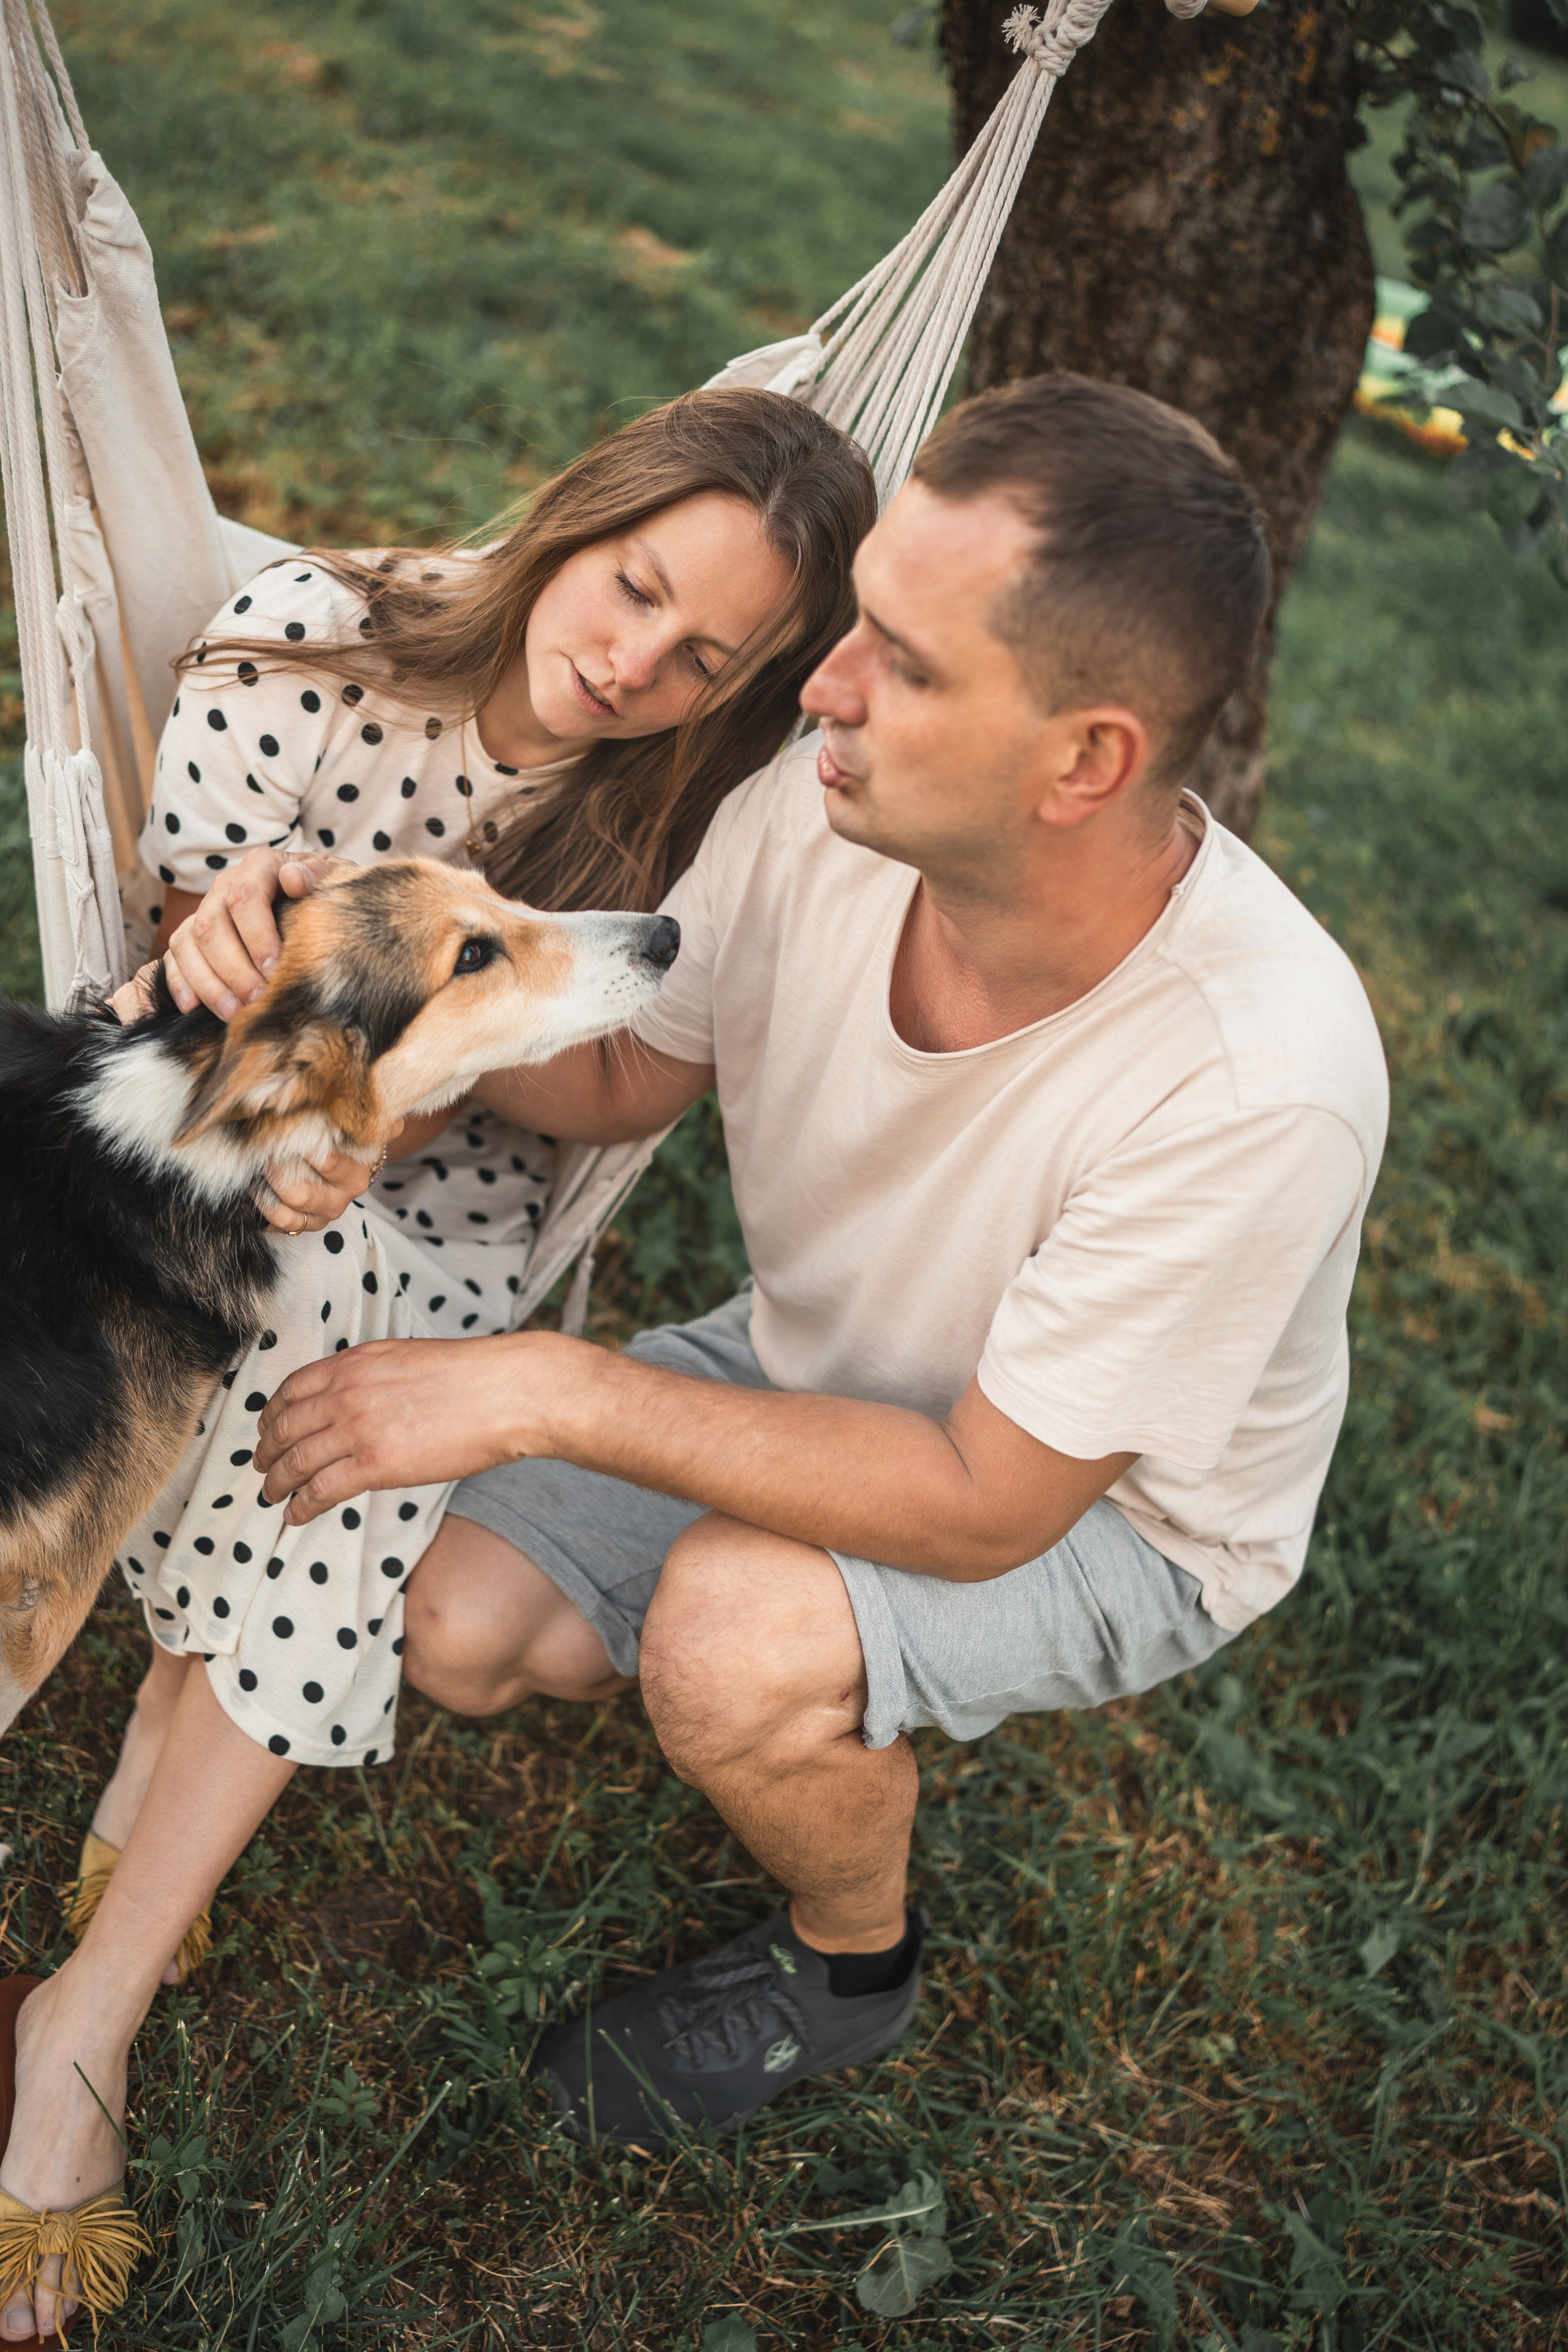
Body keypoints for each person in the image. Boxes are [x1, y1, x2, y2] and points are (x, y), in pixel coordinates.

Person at [252, 372, 1388, 2147]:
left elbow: (985, 1499)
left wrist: (552, 1388)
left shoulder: (1260, 1079)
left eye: (907, 665)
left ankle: (848, 1960)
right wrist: (377, 1021)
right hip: (819, 1372)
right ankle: (810, 1655)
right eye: (853, 629)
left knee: (726, 1634)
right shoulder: (821, 809)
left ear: (1085, 760)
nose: (824, 687)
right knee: (452, 1629)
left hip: (1104, 1512)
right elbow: (629, 1070)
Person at [0, 387, 875, 2345]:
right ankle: (157, 1782)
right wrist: (245, 941)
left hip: (454, 1222)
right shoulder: (306, 641)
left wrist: (461, 1029)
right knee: (291, 1317)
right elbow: (184, 968)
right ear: (580, 522)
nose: (638, 660)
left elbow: (644, 1073)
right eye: (634, 586)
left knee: (359, 1386)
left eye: (706, 657)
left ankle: (93, 2012)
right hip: (202, 1140)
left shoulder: (695, 807)